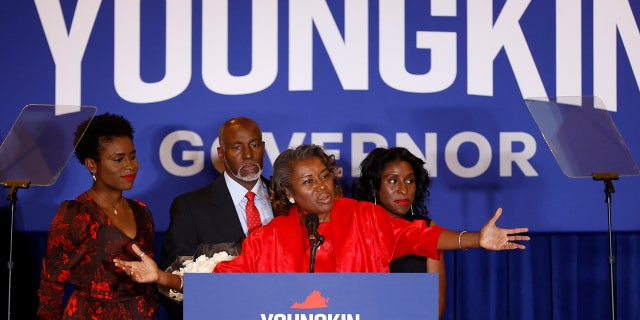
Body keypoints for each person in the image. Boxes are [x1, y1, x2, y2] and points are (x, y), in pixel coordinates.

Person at [114, 144, 529, 293]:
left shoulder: (367, 217)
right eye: (309, 181)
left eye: (326, 175)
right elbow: (224, 282)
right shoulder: (269, 238)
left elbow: (423, 238)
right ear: (290, 194)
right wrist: (163, 278)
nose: (324, 186)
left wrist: (477, 239)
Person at [37, 113, 158, 319]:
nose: (130, 166)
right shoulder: (77, 213)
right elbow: (52, 282)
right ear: (92, 164)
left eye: (132, 156)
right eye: (117, 159)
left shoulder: (141, 211)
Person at [157, 116, 275, 319]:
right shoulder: (190, 207)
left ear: (263, 147)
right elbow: (171, 283)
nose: (248, 154)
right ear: (221, 154)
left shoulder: (288, 200)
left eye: (254, 145)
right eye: (237, 148)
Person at [352, 147, 446, 318]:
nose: (403, 190)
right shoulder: (355, 228)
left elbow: (435, 304)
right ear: (374, 185)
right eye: (393, 181)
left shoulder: (427, 228)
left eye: (410, 181)